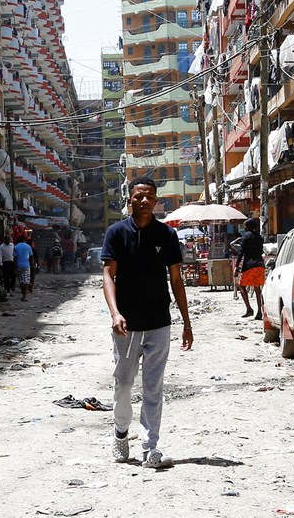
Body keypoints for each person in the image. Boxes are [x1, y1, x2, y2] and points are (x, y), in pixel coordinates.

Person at [101, 176, 193, 469]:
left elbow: (176, 280)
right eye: (139, 196)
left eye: (150, 197)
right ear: (130, 199)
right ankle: (120, 434)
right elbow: (107, 275)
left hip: (158, 323)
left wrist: (186, 322)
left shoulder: (166, 235)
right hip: (126, 326)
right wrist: (115, 313)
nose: (144, 201)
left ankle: (150, 448)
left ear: (156, 201)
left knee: (154, 387)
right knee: (124, 385)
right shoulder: (116, 233)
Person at [235, 218, 266, 318]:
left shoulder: (245, 237)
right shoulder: (260, 238)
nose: (243, 228)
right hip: (260, 265)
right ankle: (259, 312)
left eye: (244, 226)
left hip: (249, 265)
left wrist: (237, 266)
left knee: (241, 285)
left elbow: (241, 252)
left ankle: (249, 308)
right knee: (257, 288)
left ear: (248, 227)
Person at [14, 235, 33, 301]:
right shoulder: (28, 246)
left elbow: (15, 258)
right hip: (26, 265)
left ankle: (23, 294)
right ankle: (24, 296)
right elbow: (31, 257)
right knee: (26, 281)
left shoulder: (16, 247)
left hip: (19, 265)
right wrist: (32, 265)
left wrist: (15, 267)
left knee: (21, 281)